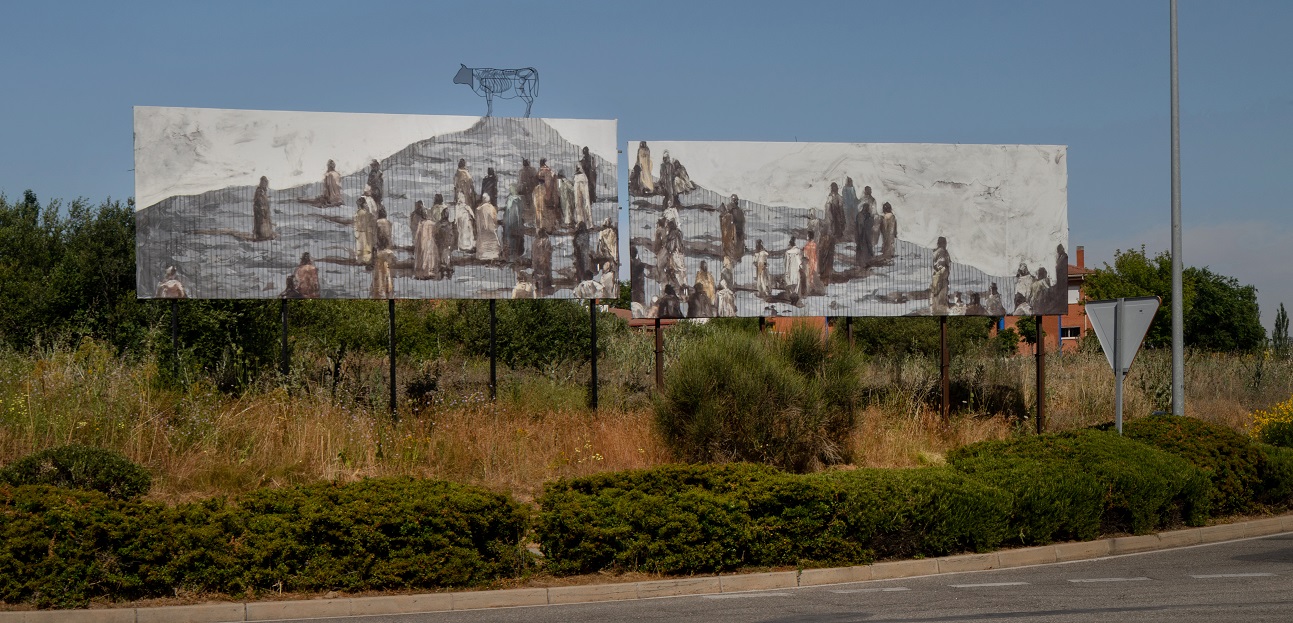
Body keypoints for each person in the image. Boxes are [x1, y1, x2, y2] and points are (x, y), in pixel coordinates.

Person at [413, 204, 440, 280]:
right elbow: (436, 233)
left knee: (423, 257)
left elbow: (417, 235)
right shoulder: (432, 223)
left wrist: (416, 243)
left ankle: (423, 272)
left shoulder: (421, 223)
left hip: (422, 242)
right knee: (430, 257)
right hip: (430, 242)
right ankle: (430, 272)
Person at [502, 184, 526, 262]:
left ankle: (512, 253)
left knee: (512, 237)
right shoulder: (516, 199)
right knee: (514, 237)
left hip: (512, 222)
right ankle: (514, 253)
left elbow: (508, 212)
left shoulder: (512, 200)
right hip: (514, 222)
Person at [475, 193, 500, 261]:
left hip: (483, 229)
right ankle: (492, 254)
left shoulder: (479, 209)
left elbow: (477, 221)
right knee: (492, 241)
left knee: (483, 241)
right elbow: (494, 219)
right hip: (490, 228)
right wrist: (495, 225)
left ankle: (483, 255)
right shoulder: (491, 208)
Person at [353, 197, 377, 266]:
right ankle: (366, 260)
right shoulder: (365, 213)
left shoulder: (357, 212)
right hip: (365, 232)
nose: (367, 204)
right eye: (366, 203)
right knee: (367, 246)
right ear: (363, 204)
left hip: (358, 231)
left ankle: (359, 260)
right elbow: (369, 221)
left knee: (360, 246)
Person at [930, 236, 951, 314]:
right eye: (945, 243)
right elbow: (941, 265)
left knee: (936, 295)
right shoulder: (942, 251)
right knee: (940, 296)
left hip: (937, 277)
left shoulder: (937, 252)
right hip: (941, 277)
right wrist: (944, 271)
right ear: (943, 243)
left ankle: (936, 310)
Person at [252, 176, 275, 241]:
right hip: (260, 210)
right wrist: (262, 209)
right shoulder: (259, 190)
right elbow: (258, 200)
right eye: (264, 182)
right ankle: (261, 236)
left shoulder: (263, 191)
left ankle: (266, 235)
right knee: (261, 223)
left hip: (264, 210)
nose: (266, 184)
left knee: (266, 222)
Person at [434, 210, 455, 278]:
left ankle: (443, 270)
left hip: (441, 243)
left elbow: (436, 234)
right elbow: (451, 235)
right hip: (447, 243)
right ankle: (448, 270)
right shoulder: (449, 224)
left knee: (441, 257)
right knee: (447, 257)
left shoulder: (438, 224)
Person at [532, 229, 553, 293]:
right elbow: (548, 251)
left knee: (538, 272)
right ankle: (544, 286)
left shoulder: (535, 241)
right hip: (544, 260)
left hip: (537, 260)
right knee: (545, 272)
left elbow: (533, 252)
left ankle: (539, 286)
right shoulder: (546, 241)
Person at [518, 158, 538, 224]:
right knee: (531, 205)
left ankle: (526, 221)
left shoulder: (521, 171)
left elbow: (519, 182)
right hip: (531, 190)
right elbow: (536, 180)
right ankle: (532, 221)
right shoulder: (533, 170)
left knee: (525, 206)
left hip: (524, 190)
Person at [841, 177, 860, 242]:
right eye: (849, 181)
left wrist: (857, 201)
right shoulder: (845, 189)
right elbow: (845, 199)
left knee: (853, 222)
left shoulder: (852, 188)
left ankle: (853, 236)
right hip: (847, 208)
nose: (850, 182)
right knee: (848, 221)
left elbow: (854, 197)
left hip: (853, 208)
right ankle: (848, 236)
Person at [730, 194, 746, 261]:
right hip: (733, 228)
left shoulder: (739, 210)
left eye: (736, 200)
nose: (736, 201)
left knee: (740, 242)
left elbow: (743, 220)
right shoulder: (730, 208)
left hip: (740, 228)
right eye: (734, 200)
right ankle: (734, 255)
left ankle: (739, 255)